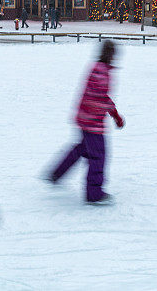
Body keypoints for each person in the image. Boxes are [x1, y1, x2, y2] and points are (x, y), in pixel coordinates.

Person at [48, 40, 124, 204]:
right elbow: (99, 99)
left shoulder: (97, 69)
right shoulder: (101, 73)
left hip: (84, 119)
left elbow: (100, 97)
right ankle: (94, 193)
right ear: (110, 55)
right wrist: (114, 115)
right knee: (98, 156)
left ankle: (56, 173)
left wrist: (114, 114)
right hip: (92, 123)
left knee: (82, 149)